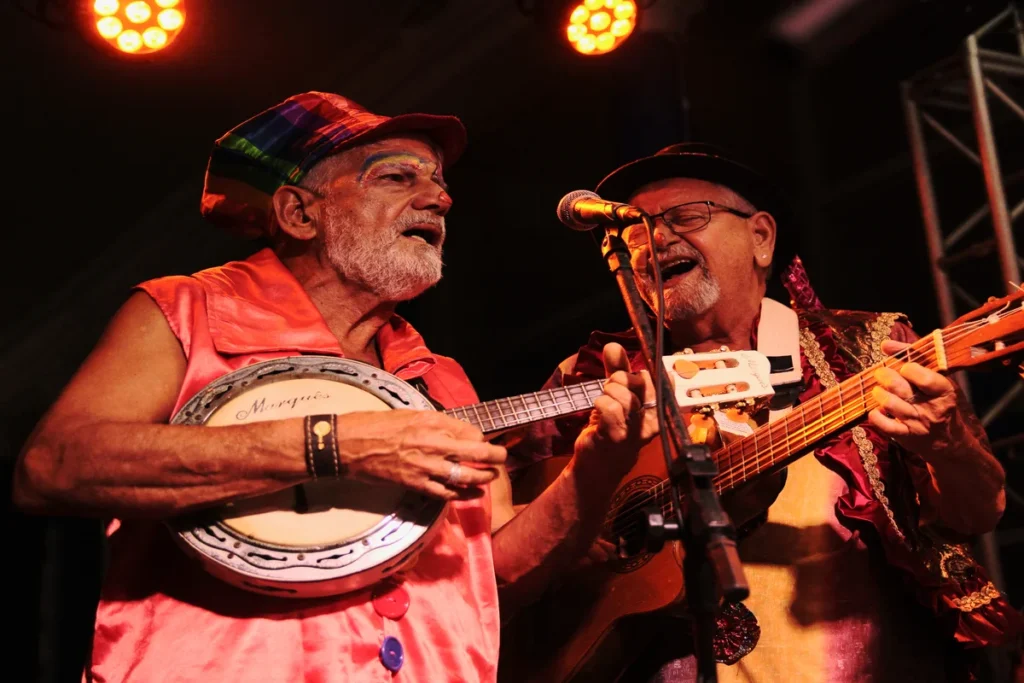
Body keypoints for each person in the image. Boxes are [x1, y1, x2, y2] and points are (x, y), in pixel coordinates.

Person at [10, 91, 662, 683]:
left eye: (439, 182)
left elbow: (493, 574)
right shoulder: (187, 311)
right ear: (299, 212)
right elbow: (53, 466)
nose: (441, 198)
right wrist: (337, 444)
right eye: (398, 176)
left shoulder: (440, 376)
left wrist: (595, 468)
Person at [503, 142, 1023, 682]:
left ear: (761, 238)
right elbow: (503, 547)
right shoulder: (591, 378)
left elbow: (980, 513)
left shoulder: (866, 347)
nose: (656, 239)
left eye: (686, 216)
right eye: (635, 232)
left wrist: (948, 446)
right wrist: (578, 540)